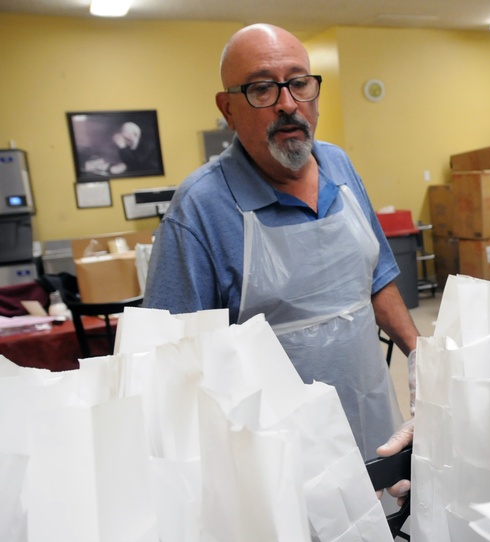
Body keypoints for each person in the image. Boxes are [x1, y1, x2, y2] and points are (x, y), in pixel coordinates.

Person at [143, 23, 419, 461]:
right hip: (273, 449)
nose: (288, 104)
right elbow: (171, 361)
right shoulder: (199, 207)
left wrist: (420, 352)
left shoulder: (340, 166)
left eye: (299, 83)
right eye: (262, 89)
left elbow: (377, 276)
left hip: (370, 414)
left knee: (382, 518)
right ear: (228, 109)